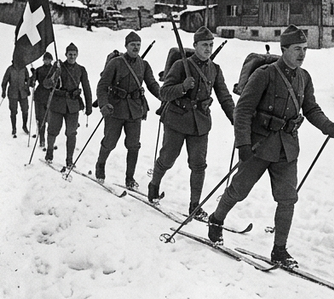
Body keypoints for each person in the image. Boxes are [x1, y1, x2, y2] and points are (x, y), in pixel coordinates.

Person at [207, 26, 334, 268]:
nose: (302, 54)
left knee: (288, 199)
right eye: (297, 49)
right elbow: (243, 110)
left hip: (287, 148)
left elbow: (310, 108)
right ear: (284, 49)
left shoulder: (304, 77)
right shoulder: (264, 75)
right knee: (239, 190)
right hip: (259, 145)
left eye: (305, 49)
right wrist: (243, 143)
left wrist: (327, 126)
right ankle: (216, 219)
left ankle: (279, 250)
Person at [148, 27, 235, 218]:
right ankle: (153, 185)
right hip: (176, 120)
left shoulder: (214, 69)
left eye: (211, 45)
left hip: (200, 124)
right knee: (167, 159)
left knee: (198, 165)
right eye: (204, 45)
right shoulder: (181, 65)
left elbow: (225, 97)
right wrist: (183, 87)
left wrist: (236, 119)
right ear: (195, 45)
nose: (208, 48)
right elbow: (164, 92)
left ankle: (194, 206)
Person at [95, 31, 161, 188]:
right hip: (115, 109)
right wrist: (104, 104)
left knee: (133, 145)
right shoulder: (116, 63)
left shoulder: (144, 65)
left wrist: (164, 96)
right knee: (110, 142)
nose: (136, 47)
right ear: (126, 46)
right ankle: (100, 165)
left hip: (135, 111)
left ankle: (129, 178)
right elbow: (102, 86)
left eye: (138, 45)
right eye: (132, 45)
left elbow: (152, 84)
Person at [45, 43, 92, 169]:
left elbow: (86, 88)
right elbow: (46, 84)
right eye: (70, 54)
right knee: (53, 130)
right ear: (66, 55)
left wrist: (89, 106)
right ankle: (49, 153)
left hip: (73, 106)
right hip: (57, 104)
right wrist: (54, 75)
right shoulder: (58, 67)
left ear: (77, 55)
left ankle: (69, 160)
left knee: (71, 133)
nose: (72, 57)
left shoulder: (81, 70)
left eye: (74, 54)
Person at [2, 58, 31, 138]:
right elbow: (4, 81)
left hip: (23, 93)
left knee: (25, 110)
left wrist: (27, 87)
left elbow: (28, 79)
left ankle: (24, 126)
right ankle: (14, 128)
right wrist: (3, 91)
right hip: (13, 93)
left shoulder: (24, 69)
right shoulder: (10, 69)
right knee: (13, 111)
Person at [32, 52, 54, 147]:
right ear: (43, 60)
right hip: (40, 96)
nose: (47, 61)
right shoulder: (38, 70)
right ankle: (42, 139)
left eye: (48, 59)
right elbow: (31, 82)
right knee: (41, 119)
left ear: (51, 60)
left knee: (51, 120)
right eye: (45, 59)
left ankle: (50, 141)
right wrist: (33, 78)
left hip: (51, 97)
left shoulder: (55, 70)